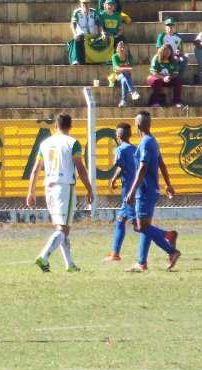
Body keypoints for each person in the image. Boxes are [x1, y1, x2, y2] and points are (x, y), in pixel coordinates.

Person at [25, 112, 94, 272]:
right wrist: (89, 188)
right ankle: (43, 257)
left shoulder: (45, 143)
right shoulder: (72, 143)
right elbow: (81, 168)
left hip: (48, 186)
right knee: (63, 229)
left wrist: (31, 192)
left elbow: (35, 169)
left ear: (55, 126)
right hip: (65, 187)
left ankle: (69, 264)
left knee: (60, 227)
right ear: (71, 126)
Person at [124, 111, 181, 272]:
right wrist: (168, 184)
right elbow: (161, 164)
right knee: (144, 226)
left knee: (141, 226)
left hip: (146, 190)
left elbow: (142, 168)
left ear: (137, 126)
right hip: (151, 189)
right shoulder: (152, 141)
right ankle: (142, 262)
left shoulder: (146, 143)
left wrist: (133, 190)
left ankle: (171, 246)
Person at [104, 123, 138, 261]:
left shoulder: (120, 150)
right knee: (121, 220)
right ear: (130, 135)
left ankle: (166, 236)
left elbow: (121, 167)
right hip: (136, 188)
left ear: (117, 136)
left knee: (138, 225)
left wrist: (113, 179)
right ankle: (115, 254)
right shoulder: (135, 149)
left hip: (128, 191)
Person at [147, 43, 184, 108]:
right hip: (156, 78)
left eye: (169, 51)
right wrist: (163, 78)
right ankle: (155, 102)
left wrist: (169, 77)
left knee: (178, 81)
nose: (167, 53)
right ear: (162, 51)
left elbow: (175, 73)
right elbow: (153, 72)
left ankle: (176, 102)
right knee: (157, 81)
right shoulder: (156, 58)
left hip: (168, 79)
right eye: (165, 51)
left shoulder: (173, 60)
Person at [68, 0, 98, 66]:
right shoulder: (77, 12)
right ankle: (79, 61)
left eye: (87, 3)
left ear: (89, 3)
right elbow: (73, 24)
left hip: (92, 35)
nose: (85, 5)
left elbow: (98, 23)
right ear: (80, 4)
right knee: (77, 39)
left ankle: (104, 60)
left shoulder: (94, 12)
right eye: (83, 3)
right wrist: (75, 34)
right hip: (82, 35)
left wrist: (101, 33)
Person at [110, 41, 140, 107]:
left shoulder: (129, 57)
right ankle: (132, 91)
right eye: (120, 48)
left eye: (123, 47)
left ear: (126, 49)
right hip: (116, 78)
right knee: (124, 73)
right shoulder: (114, 56)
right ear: (117, 49)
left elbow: (129, 71)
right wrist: (125, 69)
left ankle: (123, 101)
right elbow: (116, 69)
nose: (122, 49)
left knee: (124, 80)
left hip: (126, 77)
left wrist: (123, 69)